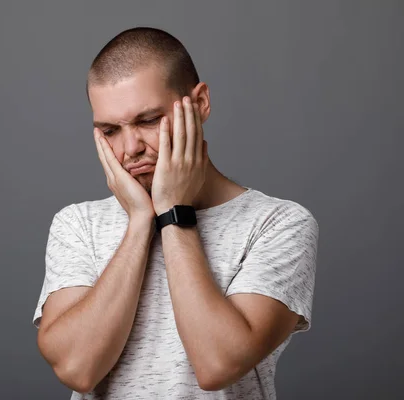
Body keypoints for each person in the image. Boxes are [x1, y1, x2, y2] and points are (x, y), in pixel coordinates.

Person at [32, 26, 319, 400]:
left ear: (199, 104)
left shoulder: (278, 224)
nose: (130, 148)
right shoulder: (78, 225)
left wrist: (174, 213)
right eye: (109, 130)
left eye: (148, 120)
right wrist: (139, 223)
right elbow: (77, 369)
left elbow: (217, 364)